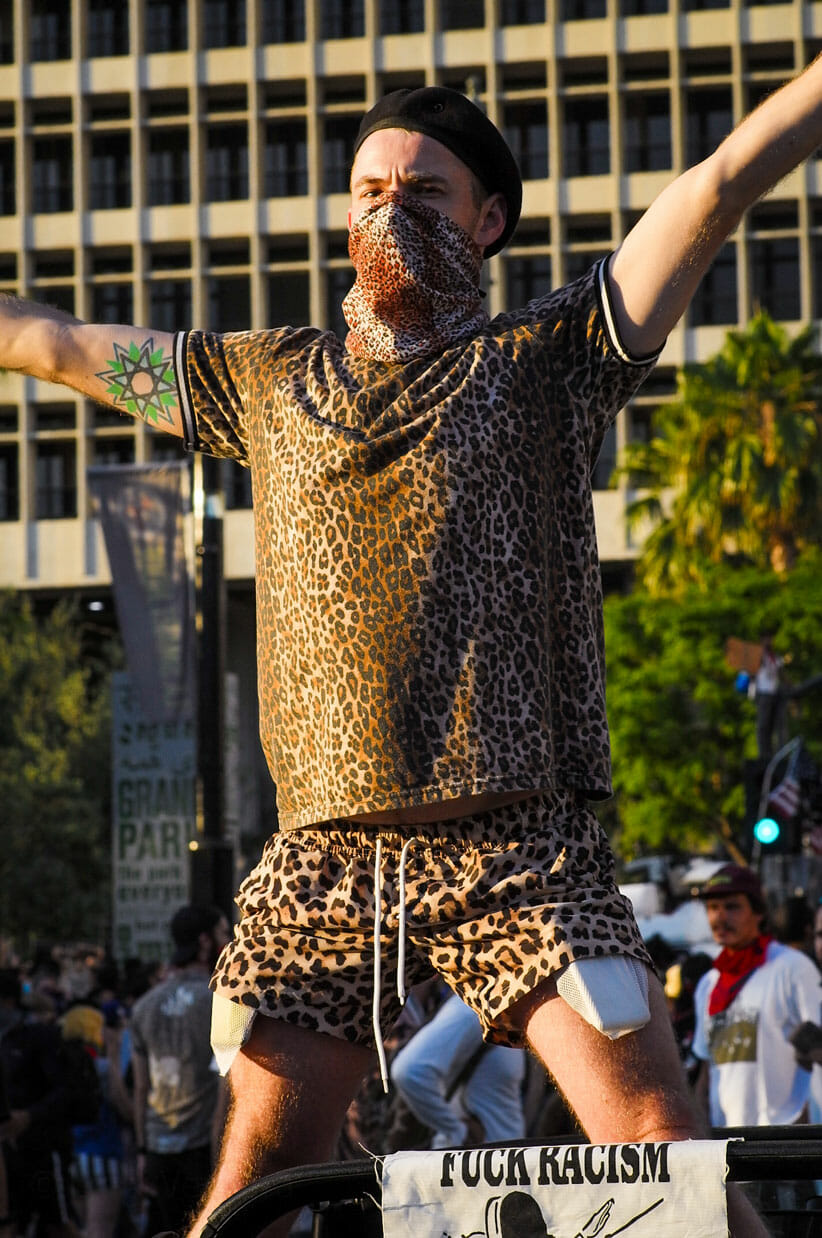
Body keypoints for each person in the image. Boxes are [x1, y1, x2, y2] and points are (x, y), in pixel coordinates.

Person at [6, 62, 822, 1237]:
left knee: (659, 1157)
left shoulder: (550, 357)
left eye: (427, 192)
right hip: (324, 858)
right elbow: (53, 339)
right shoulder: (265, 378)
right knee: (253, 1180)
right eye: (369, 188)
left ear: (490, 221)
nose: (390, 208)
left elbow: (717, 185)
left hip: (518, 845)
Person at [693, 865, 821, 1128]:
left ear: (759, 912)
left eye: (732, 907)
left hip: (786, 1140)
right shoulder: (708, 984)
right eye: (713, 908)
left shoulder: (793, 968)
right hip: (725, 1143)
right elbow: (708, 1068)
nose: (720, 917)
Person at [129, 906, 230, 1235]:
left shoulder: (145, 1006)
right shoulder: (221, 1002)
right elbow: (225, 1089)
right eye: (223, 934)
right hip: (204, 1152)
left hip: (158, 1148)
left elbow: (142, 1089)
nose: (228, 942)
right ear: (204, 941)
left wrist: (142, 1150)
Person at [391, 991, 526, 1149]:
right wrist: (456, 1130)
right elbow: (409, 1071)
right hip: (477, 1165)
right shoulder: (472, 1010)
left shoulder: (506, 1006)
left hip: (505, 1161)